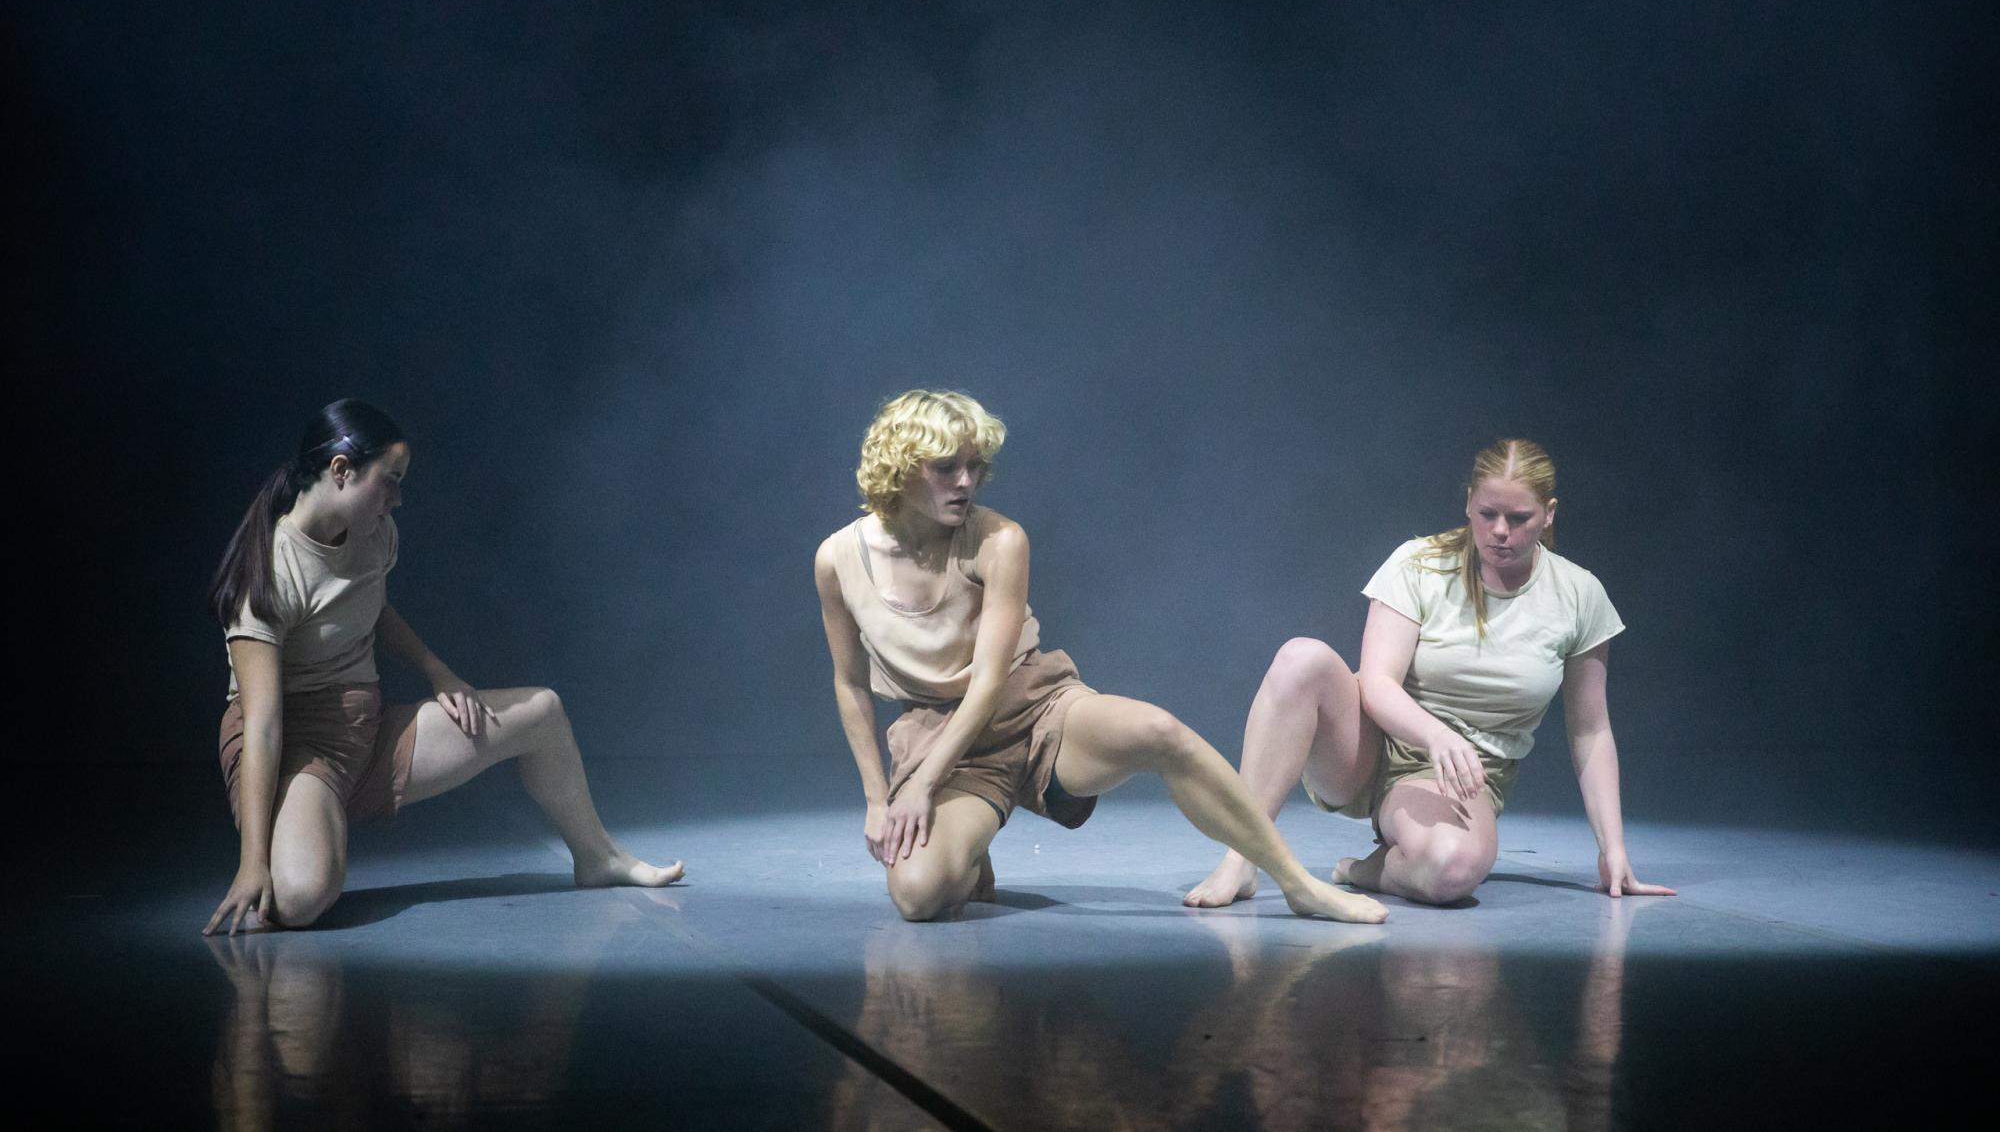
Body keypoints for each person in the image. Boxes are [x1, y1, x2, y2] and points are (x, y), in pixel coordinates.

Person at [814, 390, 1385, 923]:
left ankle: (1292, 882)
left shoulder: (998, 539)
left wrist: (918, 788)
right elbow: (850, 683)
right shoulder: (837, 560)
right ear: (900, 465)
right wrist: (879, 797)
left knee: (1159, 731)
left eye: (975, 467)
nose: (966, 482)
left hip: (1031, 707)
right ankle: (968, 860)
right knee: (918, 897)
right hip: (943, 740)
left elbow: (989, 682)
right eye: (946, 468)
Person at [204, 399, 682, 934]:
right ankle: (304, 828)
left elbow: (370, 610)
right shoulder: (268, 573)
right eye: (390, 480)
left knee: (543, 713)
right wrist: (252, 865)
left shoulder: (374, 535)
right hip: (295, 748)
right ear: (341, 471)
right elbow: (264, 726)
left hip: (366, 737)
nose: (398, 498)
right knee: (298, 901)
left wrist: (439, 672)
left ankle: (598, 858)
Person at [1186, 438, 1673, 908]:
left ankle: (1363, 870)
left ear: (1548, 513)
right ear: (1468, 504)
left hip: (1457, 779)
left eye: (1519, 518)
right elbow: (1376, 683)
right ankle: (1243, 857)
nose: (1500, 531)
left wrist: (1612, 849)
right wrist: (1437, 735)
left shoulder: (1579, 595)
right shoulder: (1420, 563)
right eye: (1488, 514)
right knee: (1300, 658)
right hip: (1369, 745)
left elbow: (1590, 731)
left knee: (1452, 870)